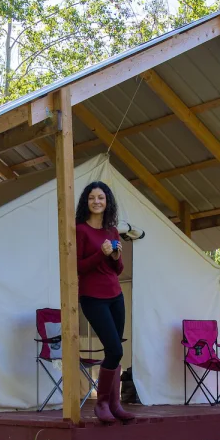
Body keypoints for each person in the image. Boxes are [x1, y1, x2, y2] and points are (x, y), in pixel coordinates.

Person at [75, 181, 136, 423]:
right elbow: (79, 267)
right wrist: (99, 253)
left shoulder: (112, 231)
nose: (97, 201)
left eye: (101, 197)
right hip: (92, 297)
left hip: (115, 295)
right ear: (86, 202)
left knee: (116, 352)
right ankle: (101, 404)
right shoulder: (80, 230)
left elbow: (117, 269)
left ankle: (115, 405)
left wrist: (115, 255)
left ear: (107, 201)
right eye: (92, 198)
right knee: (115, 349)